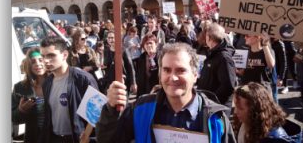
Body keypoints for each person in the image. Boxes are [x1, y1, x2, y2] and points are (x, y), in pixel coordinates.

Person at [96, 43, 236, 142]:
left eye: (181, 70)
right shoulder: (140, 109)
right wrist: (111, 110)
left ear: (195, 75)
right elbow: (108, 139)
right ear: (160, 74)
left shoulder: (217, 119)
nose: (173, 78)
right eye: (167, 70)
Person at [39, 36, 98, 143]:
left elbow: (97, 111)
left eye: (51, 55)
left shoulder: (83, 79)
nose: (46, 60)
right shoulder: (47, 83)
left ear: (65, 55)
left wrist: (86, 136)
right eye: (43, 56)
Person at [233, 82, 297, 143]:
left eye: (240, 108)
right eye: (235, 106)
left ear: (255, 110)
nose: (235, 111)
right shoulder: (245, 123)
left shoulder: (274, 139)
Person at [197, 23, 237, 112]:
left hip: (218, 108)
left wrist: (212, 101)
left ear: (209, 37)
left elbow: (228, 86)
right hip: (210, 105)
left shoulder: (223, 57)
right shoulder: (213, 54)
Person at [12, 48, 47, 143]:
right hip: (33, 137)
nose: (38, 64)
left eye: (41, 60)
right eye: (33, 62)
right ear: (29, 65)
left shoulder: (55, 83)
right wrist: (21, 110)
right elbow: (13, 119)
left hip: (56, 137)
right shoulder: (20, 88)